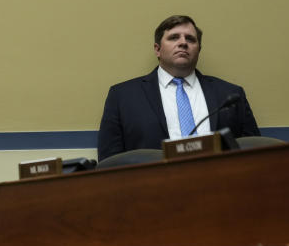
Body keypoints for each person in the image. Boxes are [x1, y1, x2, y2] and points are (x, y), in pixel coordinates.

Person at [97, 15, 260, 161]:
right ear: (157, 49)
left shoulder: (230, 94)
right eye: (174, 37)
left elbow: (254, 153)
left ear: (199, 50)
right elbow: (109, 162)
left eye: (190, 39)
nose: (183, 43)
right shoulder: (123, 96)